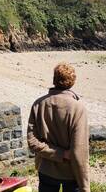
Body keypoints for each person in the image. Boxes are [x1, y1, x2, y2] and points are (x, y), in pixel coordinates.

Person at [27, 63, 90, 192]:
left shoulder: (38, 104)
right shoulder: (77, 109)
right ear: (72, 82)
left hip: (46, 169)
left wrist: (56, 154)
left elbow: (32, 142)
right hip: (70, 173)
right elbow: (79, 152)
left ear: (54, 80)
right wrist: (85, 187)